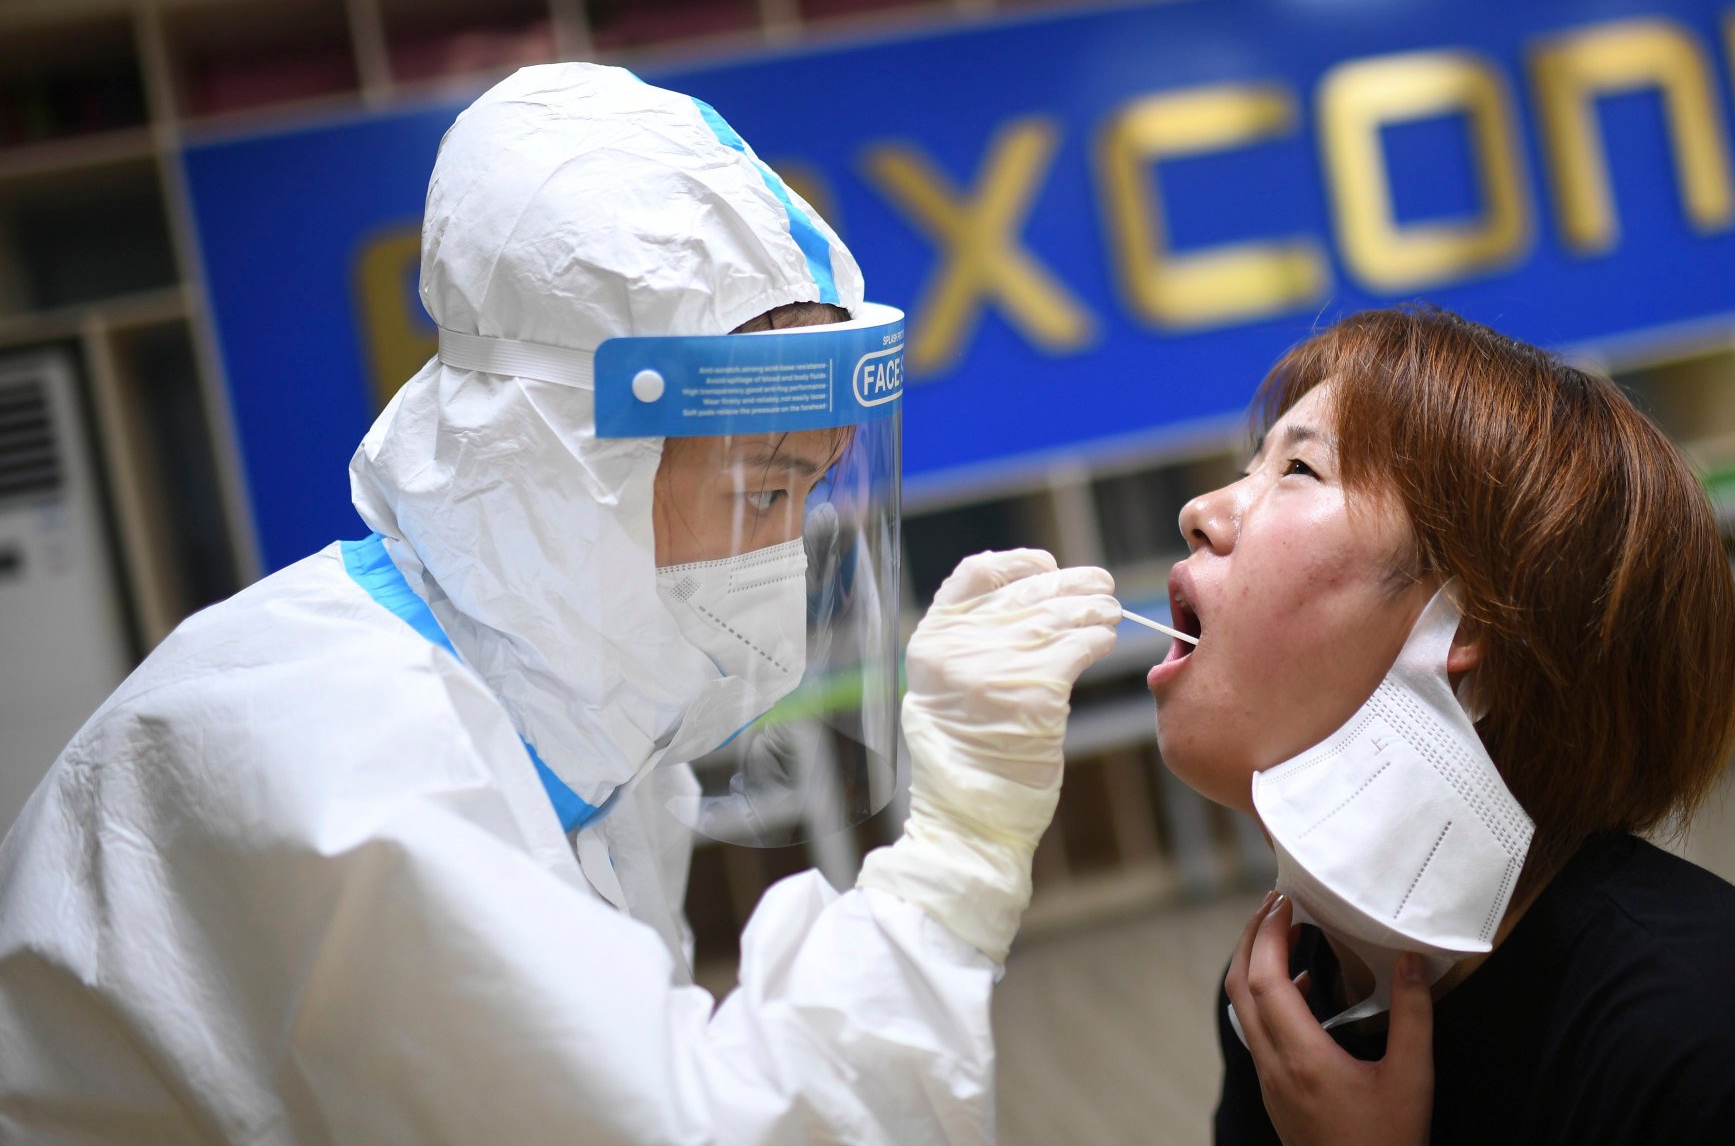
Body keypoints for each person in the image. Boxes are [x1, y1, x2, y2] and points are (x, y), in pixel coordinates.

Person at [0, 63, 1120, 1143]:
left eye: (813, 490)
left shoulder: (575, 738)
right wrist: (957, 860)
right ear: (572, 462)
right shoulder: (328, 766)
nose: (786, 550)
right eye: (764, 490)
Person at [1143, 308, 1735, 1145]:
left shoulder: (1720, 1044)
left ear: (1466, 627)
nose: (1201, 509)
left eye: (1297, 467)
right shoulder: (1279, 1002)